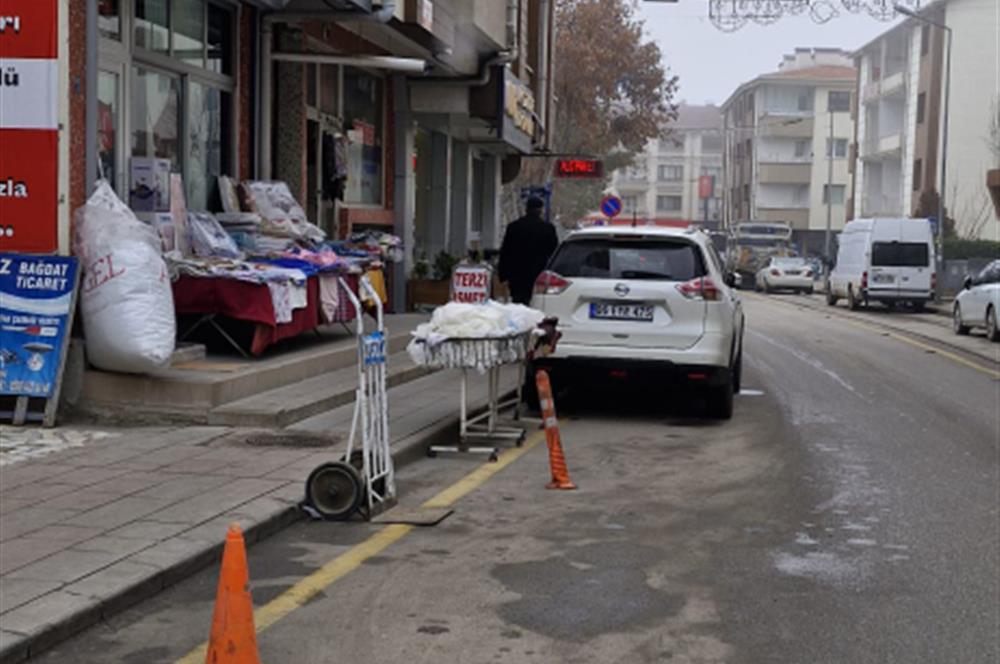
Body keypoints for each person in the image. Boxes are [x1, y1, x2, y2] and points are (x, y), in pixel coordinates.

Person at [498, 196, 559, 305]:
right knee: (536, 303)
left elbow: (505, 252)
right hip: (538, 273)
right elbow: (554, 252)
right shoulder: (548, 228)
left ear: (526, 209)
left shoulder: (514, 227)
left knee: (518, 302)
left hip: (517, 274)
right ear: (541, 210)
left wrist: (503, 274)